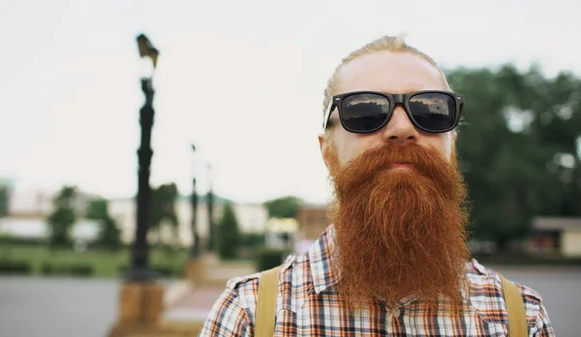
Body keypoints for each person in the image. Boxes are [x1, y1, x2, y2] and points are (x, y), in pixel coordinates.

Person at [198, 35, 554, 336]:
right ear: (328, 152)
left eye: (431, 111)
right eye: (365, 112)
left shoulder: (520, 319)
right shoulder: (250, 314)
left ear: (452, 148)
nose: (402, 128)